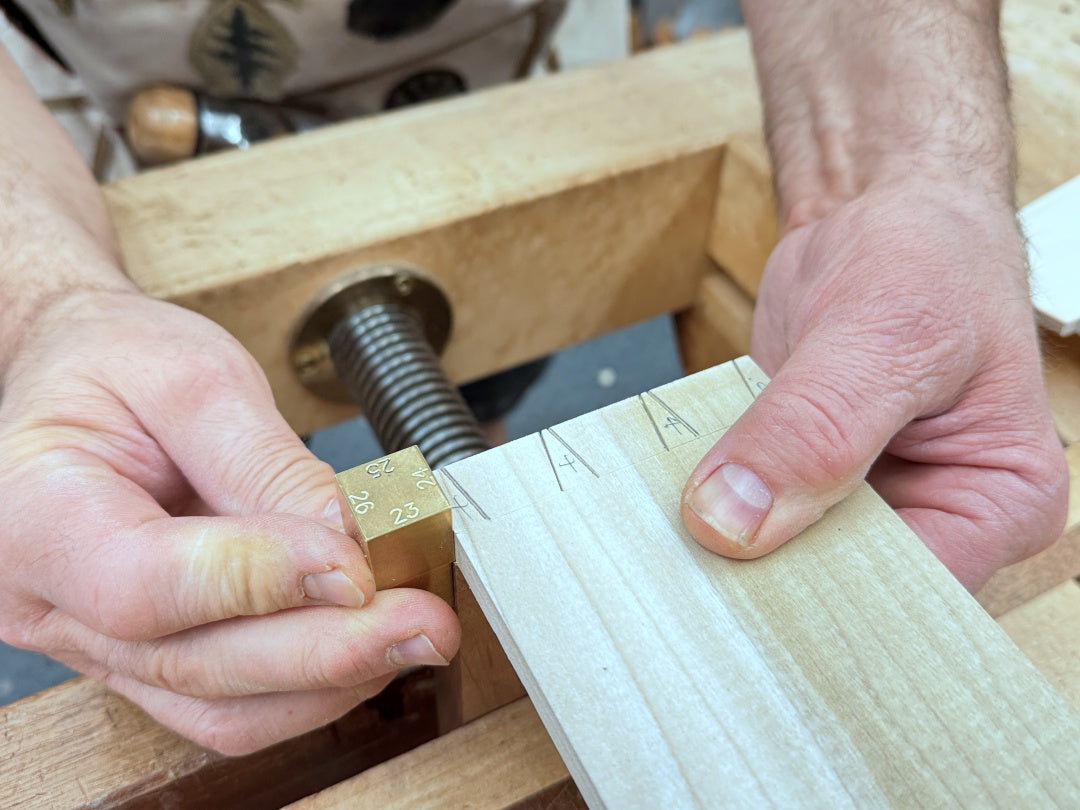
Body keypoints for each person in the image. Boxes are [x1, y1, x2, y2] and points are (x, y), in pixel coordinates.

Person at [0, 0, 1066, 757]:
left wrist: (902, 178)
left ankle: (491, 497)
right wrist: (47, 302)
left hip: (510, 71)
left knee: (487, 407)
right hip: (108, 111)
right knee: (225, 477)